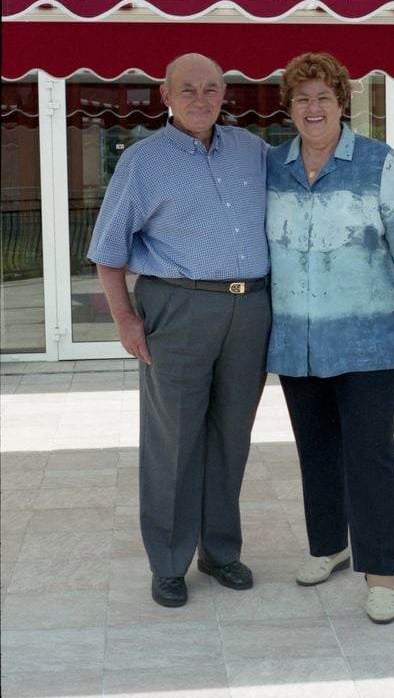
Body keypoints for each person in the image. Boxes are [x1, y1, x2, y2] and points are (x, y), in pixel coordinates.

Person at [88, 53, 271, 608]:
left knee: (230, 437)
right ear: (165, 96)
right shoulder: (143, 161)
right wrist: (125, 319)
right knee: (174, 439)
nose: (201, 98)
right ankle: (168, 561)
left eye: (211, 88)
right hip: (179, 307)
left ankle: (220, 552)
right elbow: (108, 251)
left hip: (250, 309)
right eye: (187, 89)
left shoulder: (253, 150)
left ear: (224, 94)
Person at [266, 52, 394, 624]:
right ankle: (328, 546)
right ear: (289, 107)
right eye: (302, 98)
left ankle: (380, 573)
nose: (313, 109)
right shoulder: (271, 167)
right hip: (297, 345)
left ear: (342, 103)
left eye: (324, 98)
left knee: (369, 456)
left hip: (370, 346)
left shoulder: (378, 163)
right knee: (316, 453)